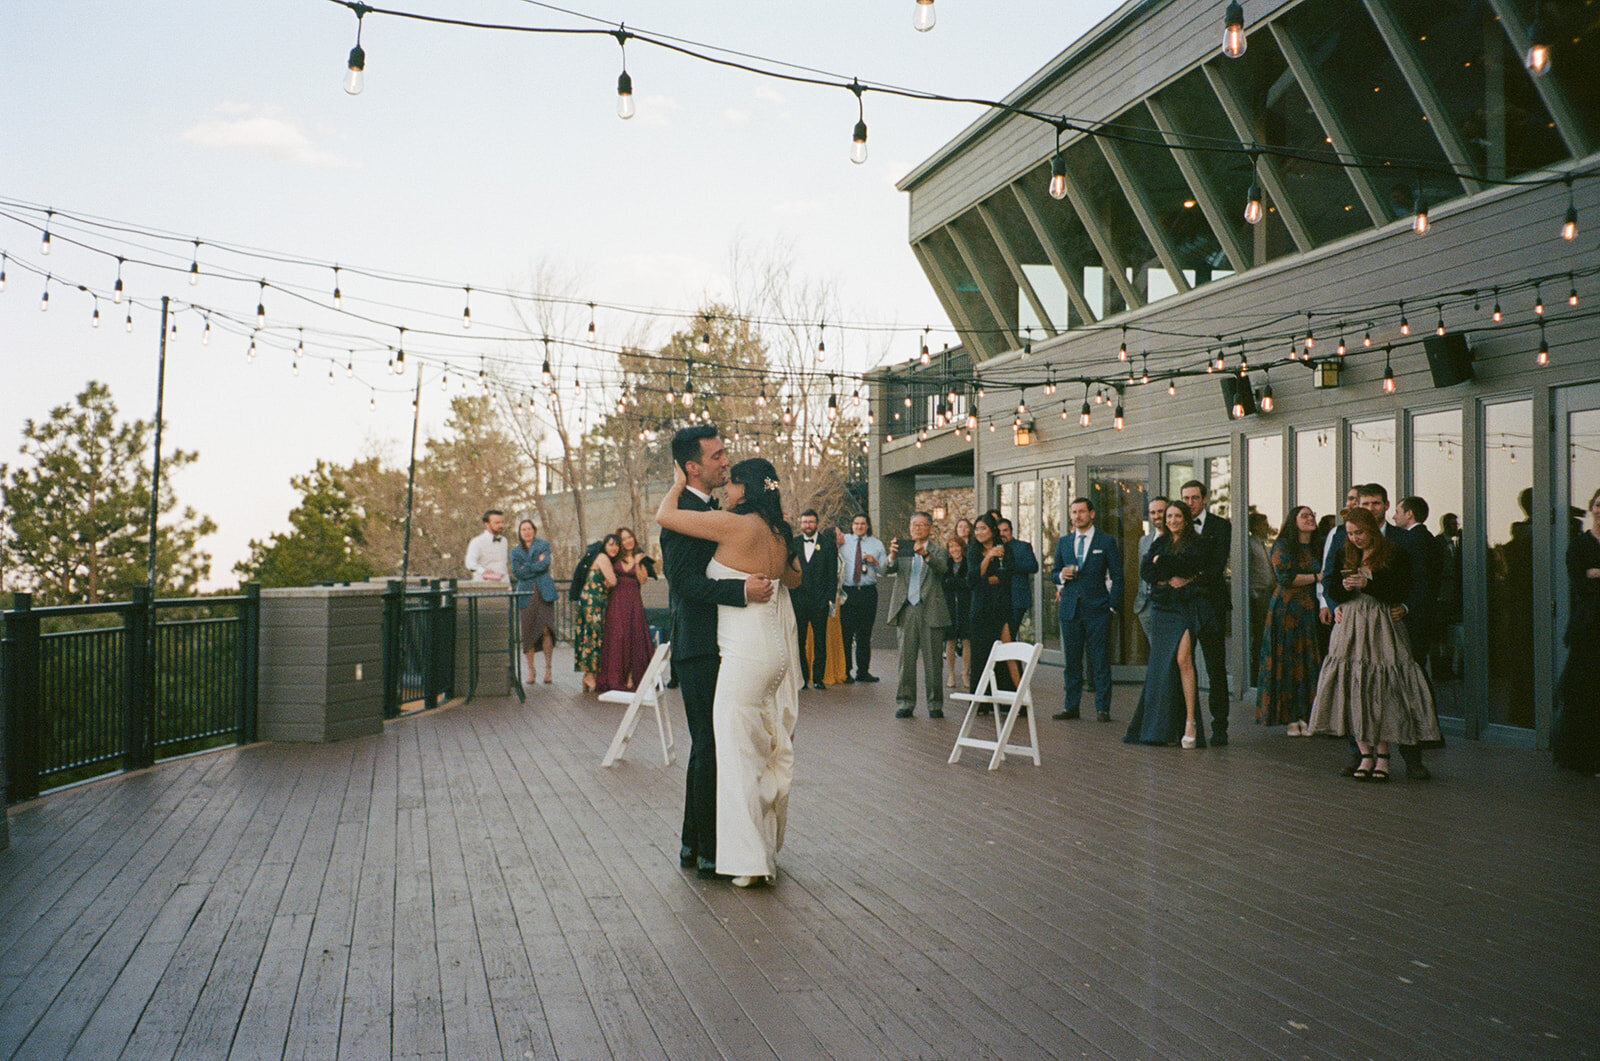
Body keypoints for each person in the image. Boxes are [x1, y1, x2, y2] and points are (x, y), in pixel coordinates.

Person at [656, 456, 801, 888]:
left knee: (738, 759)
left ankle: (749, 861)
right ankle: (765, 846)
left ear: (746, 488)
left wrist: (678, 481)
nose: (726, 491)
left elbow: (666, 516)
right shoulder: (778, 531)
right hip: (775, 655)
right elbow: (793, 581)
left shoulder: (736, 525)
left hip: (745, 656)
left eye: (733, 484)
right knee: (761, 749)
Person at [1308, 506, 1440, 781]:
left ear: (1371, 530)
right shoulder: (1346, 552)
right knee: (1353, 685)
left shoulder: (1392, 552)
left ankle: (1384, 757)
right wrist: (1341, 591)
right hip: (1351, 624)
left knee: (1382, 687)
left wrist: (1368, 584)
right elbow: (1329, 585)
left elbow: (1398, 590)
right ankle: (1364, 755)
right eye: (1351, 533)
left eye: (1360, 533)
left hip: (1381, 623)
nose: (1356, 538)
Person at [1124, 502, 1208, 748]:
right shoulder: (1158, 542)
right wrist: (1167, 565)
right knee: (1161, 667)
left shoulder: (1197, 542)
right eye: (1168, 516)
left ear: (1185, 518)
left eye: (1177, 515)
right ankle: (1160, 728)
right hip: (1161, 608)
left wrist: (1165, 563)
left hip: (1184, 607)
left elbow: (1189, 566)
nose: (1171, 520)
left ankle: (1190, 722)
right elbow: (1147, 571)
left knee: (1183, 660)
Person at [1051, 497, 1123, 722]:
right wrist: (1061, 575)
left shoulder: (1106, 541)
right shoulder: (1064, 542)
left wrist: (1111, 606)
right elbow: (1053, 573)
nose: (1077, 516)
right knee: (1072, 662)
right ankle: (1071, 706)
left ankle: (1103, 707)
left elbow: (1118, 577)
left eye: (1081, 512)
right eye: (1073, 512)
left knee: (1100, 660)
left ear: (1091, 514)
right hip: (1070, 609)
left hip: (1098, 609)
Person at [1255, 506, 1322, 734]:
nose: (1310, 518)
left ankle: (1308, 715)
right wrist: (1316, 577)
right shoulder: (1283, 545)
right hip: (1287, 611)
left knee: (1308, 662)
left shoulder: (1317, 546)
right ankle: (1292, 717)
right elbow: (1285, 578)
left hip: (1310, 610)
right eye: (1304, 515)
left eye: (1312, 515)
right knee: (1290, 661)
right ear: (1293, 521)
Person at [884, 511, 951, 718]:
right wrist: (893, 555)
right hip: (907, 609)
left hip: (931, 609)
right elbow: (887, 569)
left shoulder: (938, 550)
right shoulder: (902, 549)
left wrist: (925, 555)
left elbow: (942, 569)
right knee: (906, 659)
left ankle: (935, 704)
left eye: (922, 525)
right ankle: (905, 702)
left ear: (930, 528)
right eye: (914, 525)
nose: (918, 528)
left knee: (933, 661)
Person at [1180, 480, 1233, 744]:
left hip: (1211, 606)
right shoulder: (1177, 525)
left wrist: (1188, 580)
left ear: (1205, 499)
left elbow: (1217, 566)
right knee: (1182, 664)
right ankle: (1186, 724)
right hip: (1184, 608)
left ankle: (1220, 727)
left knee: (1215, 668)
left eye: (1193, 498)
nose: (1189, 503)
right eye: (1185, 498)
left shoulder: (1221, 526)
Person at [1553, 488, 1600, 774]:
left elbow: (1589, 577)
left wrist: (1596, 572)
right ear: (1592, 508)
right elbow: (1579, 583)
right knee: (1587, 693)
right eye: (1597, 504)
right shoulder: (1580, 545)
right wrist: (1589, 575)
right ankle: (1587, 758)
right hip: (1590, 627)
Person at [596, 527, 654, 693]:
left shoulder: (640, 558)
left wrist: (636, 562)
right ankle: (616, 677)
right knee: (618, 637)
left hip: (634, 602)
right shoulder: (613, 559)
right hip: (616, 602)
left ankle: (632, 677)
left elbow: (643, 580)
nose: (628, 541)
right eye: (624, 539)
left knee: (634, 637)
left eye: (630, 537)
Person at [966, 512, 1015, 696]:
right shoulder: (973, 551)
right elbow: (971, 580)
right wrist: (988, 558)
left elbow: (1006, 576)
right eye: (976, 529)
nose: (979, 532)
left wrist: (984, 579)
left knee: (1005, 649)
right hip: (980, 608)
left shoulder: (1005, 549)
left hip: (1000, 606)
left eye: (983, 528)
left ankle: (1010, 696)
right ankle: (980, 699)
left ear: (992, 530)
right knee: (980, 654)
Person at [792, 510, 838, 690]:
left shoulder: (828, 544)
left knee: (820, 640)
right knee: (799, 641)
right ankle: (803, 678)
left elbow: (832, 575)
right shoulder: (794, 543)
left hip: (819, 601)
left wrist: (829, 599)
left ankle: (818, 678)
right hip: (799, 601)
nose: (807, 525)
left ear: (817, 523)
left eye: (811, 522)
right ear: (800, 524)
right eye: (804, 522)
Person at [1394, 496, 1440, 673]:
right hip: (1423, 611)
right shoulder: (1428, 538)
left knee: (1413, 667)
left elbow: (1421, 578)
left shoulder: (1414, 539)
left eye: (1398, 512)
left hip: (1415, 615)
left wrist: (1406, 606)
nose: (1394, 517)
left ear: (1409, 514)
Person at [509, 519, 557, 685]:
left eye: (529, 529)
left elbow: (545, 564)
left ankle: (548, 669)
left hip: (544, 592)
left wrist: (527, 567)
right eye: (523, 529)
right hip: (526, 594)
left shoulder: (543, 544)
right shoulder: (515, 551)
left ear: (534, 530)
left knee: (546, 630)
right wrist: (535, 564)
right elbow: (517, 573)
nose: (527, 532)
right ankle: (531, 670)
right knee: (528, 631)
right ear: (520, 532)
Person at [839, 513, 885, 683]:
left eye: (862, 523)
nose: (859, 526)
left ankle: (863, 671)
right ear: (852, 525)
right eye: (856, 523)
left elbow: (884, 571)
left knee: (864, 634)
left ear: (867, 526)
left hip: (867, 593)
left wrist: (875, 562)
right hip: (848, 592)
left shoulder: (876, 544)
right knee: (846, 633)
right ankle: (845, 671)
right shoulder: (843, 542)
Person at [573, 534, 619, 693]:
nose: (614, 548)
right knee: (593, 637)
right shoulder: (603, 558)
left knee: (589, 636)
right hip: (595, 604)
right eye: (611, 545)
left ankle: (589, 675)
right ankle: (590, 676)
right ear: (604, 546)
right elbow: (613, 580)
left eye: (616, 545)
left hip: (588, 602)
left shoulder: (596, 558)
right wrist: (608, 582)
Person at [1132, 496, 1168, 646]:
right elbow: (1143, 572)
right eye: (1152, 512)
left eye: (1160, 511)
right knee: (1156, 652)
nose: (1156, 516)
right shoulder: (1144, 541)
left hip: (1167, 606)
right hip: (1145, 606)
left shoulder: (1175, 539)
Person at [1246, 510, 1275, 686]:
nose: (1267, 528)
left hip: (1268, 594)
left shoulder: (1262, 544)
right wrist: (1251, 594)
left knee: (1265, 635)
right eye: (1263, 525)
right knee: (1259, 636)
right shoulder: (1249, 544)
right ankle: (1254, 676)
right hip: (1257, 595)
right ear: (1256, 526)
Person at [998, 517, 1039, 640]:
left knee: (1010, 634)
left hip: (1017, 598)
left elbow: (1033, 566)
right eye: (999, 531)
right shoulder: (995, 549)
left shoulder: (1023, 547)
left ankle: (1014, 659)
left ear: (1011, 531)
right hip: (998, 599)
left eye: (1005, 530)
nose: (1002, 534)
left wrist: (1011, 566)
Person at [942, 537, 972, 691]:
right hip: (949, 607)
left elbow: (969, 583)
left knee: (967, 640)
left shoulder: (968, 563)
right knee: (950, 640)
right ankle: (951, 674)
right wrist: (958, 583)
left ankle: (965, 673)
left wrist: (952, 582)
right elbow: (943, 583)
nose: (954, 550)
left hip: (966, 606)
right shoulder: (945, 564)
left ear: (962, 547)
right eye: (951, 547)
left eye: (957, 546)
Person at [464, 509, 509, 582]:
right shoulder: (477, 542)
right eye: (497, 523)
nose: (501, 525)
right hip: (484, 586)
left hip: (503, 584)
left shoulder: (504, 541)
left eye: (502, 522)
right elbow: (470, 563)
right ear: (486, 524)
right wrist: (483, 571)